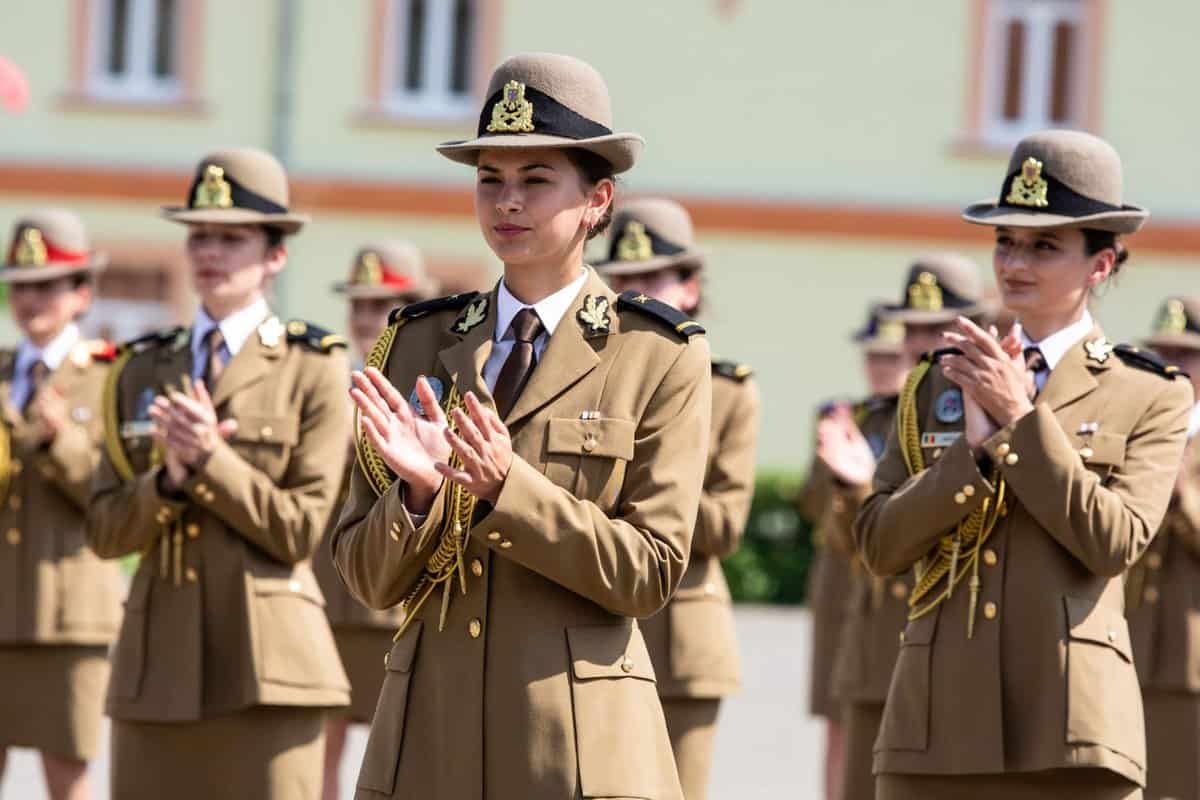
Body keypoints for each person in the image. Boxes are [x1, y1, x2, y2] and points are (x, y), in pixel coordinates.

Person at [333, 53, 711, 800]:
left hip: (572, 744)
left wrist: (510, 487)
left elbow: (650, 572)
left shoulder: (656, 353)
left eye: (536, 180)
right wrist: (414, 497)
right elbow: (367, 578)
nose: (508, 202)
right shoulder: (417, 341)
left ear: (599, 200)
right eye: (490, 180)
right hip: (430, 737)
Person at [855, 129, 1193, 799]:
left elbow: (1114, 540)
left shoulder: (1151, 391)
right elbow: (879, 544)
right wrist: (970, 458)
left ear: (1102, 265)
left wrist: (1019, 421)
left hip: (1070, 728)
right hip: (936, 722)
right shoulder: (937, 381)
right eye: (1006, 241)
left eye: (1045, 245)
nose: (1016, 261)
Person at [86, 148, 352, 799]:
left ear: (275, 255)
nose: (211, 252)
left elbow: (299, 531)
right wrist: (168, 483)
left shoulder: (312, 366)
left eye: (233, 238)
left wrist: (211, 461)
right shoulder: (140, 368)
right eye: (200, 236)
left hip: (268, 665)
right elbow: (105, 533)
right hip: (158, 665)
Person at [597, 197, 760, 800]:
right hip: (597, 621)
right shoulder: (588, 381)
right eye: (623, 281)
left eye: (651, 279)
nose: (636, 294)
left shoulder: (729, 391)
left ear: (689, 288)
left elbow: (724, 526)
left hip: (683, 641)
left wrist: (654, 480)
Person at [818, 259, 988, 800]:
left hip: (963, 642)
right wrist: (854, 490)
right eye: (909, 328)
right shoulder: (887, 416)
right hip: (879, 640)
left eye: (933, 328)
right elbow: (853, 542)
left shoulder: (989, 407)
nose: (917, 342)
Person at [0, 210, 119, 800]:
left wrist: (58, 440)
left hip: (68, 614)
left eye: (47, 285)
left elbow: (116, 491)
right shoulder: (2, 372)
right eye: (21, 286)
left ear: (81, 294)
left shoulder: (110, 376)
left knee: (67, 778)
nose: (31, 300)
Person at [313, 242, 437, 800]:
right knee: (321, 749)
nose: (367, 320)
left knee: (406, 756)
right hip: (332, 592)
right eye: (359, 306)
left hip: (403, 599)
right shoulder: (328, 381)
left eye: (382, 307)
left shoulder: (430, 386)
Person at [1126, 296, 1200, 800]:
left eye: (1186, 353)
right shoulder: (1142, 427)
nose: (1175, 365)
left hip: (1190, 655)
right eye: (1163, 352)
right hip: (1133, 645)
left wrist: (1184, 492)